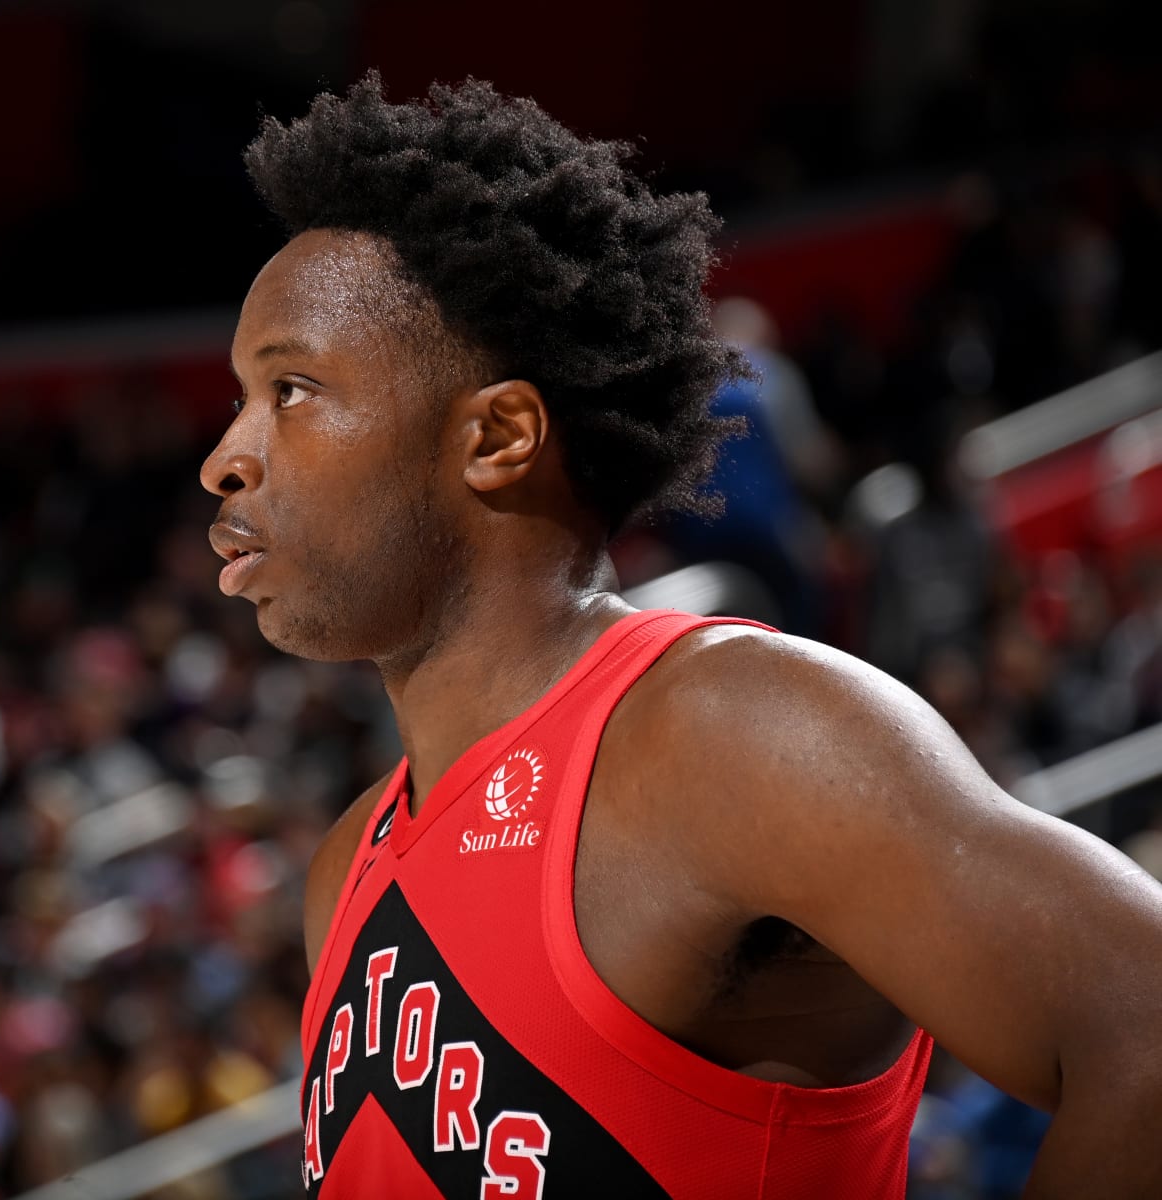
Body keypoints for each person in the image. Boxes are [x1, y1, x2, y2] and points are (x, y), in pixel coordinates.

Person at [197, 75, 1162, 1198]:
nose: (227, 454)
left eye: (292, 388)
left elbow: (1141, 1029)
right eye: (236, 398)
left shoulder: (731, 730)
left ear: (500, 434)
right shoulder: (345, 862)